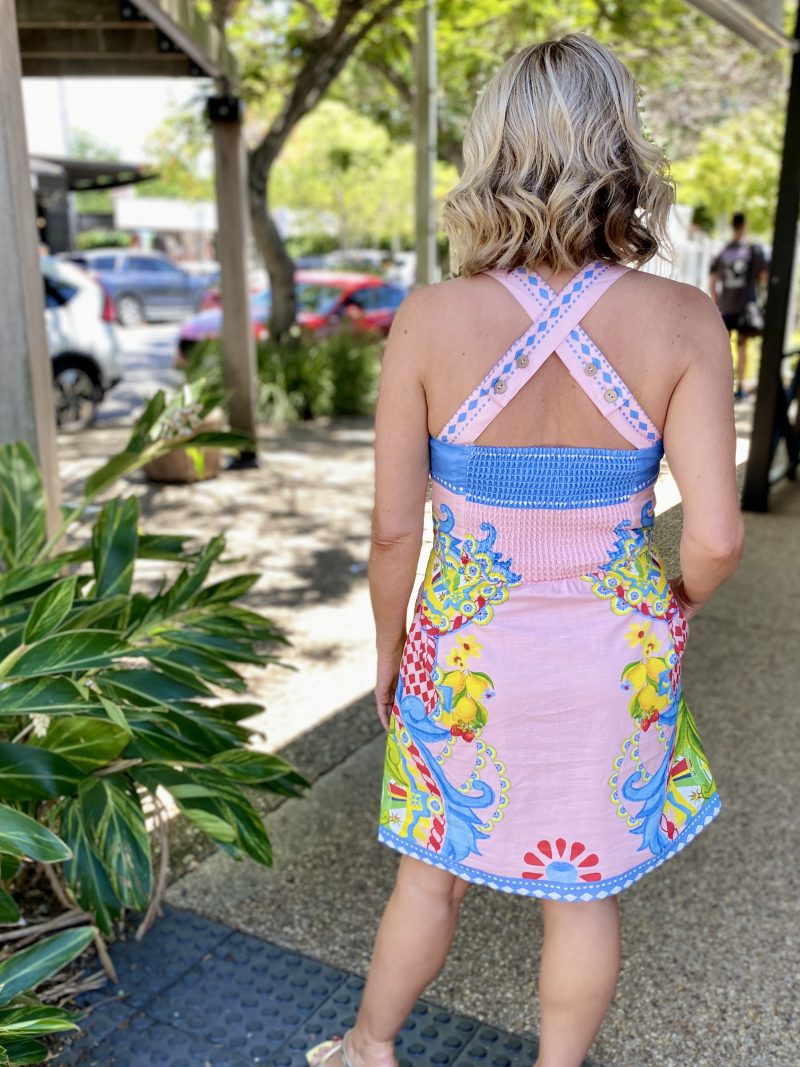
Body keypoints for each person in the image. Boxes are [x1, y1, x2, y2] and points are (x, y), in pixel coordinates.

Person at [307, 34, 744, 1067]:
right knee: (580, 888)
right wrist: (672, 598)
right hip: (615, 656)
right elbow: (718, 535)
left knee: (429, 872)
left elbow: (392, 530)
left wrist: (390, 648)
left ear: (489, 153)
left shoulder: (429, 318)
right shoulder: (682, 318)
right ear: (623, 151)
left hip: (463, 654)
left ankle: (369, 1046)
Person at [709, 212, 768, 399]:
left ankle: (722, 386)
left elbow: (713, 281)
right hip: (744, 308)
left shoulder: (722, 251)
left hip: (725, 306)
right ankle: (740, 387)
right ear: (745, 226)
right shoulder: (753, 250)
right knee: (742, 347)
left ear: (732, 226)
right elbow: (764, 277)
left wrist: (716, 304)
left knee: (724, 348)